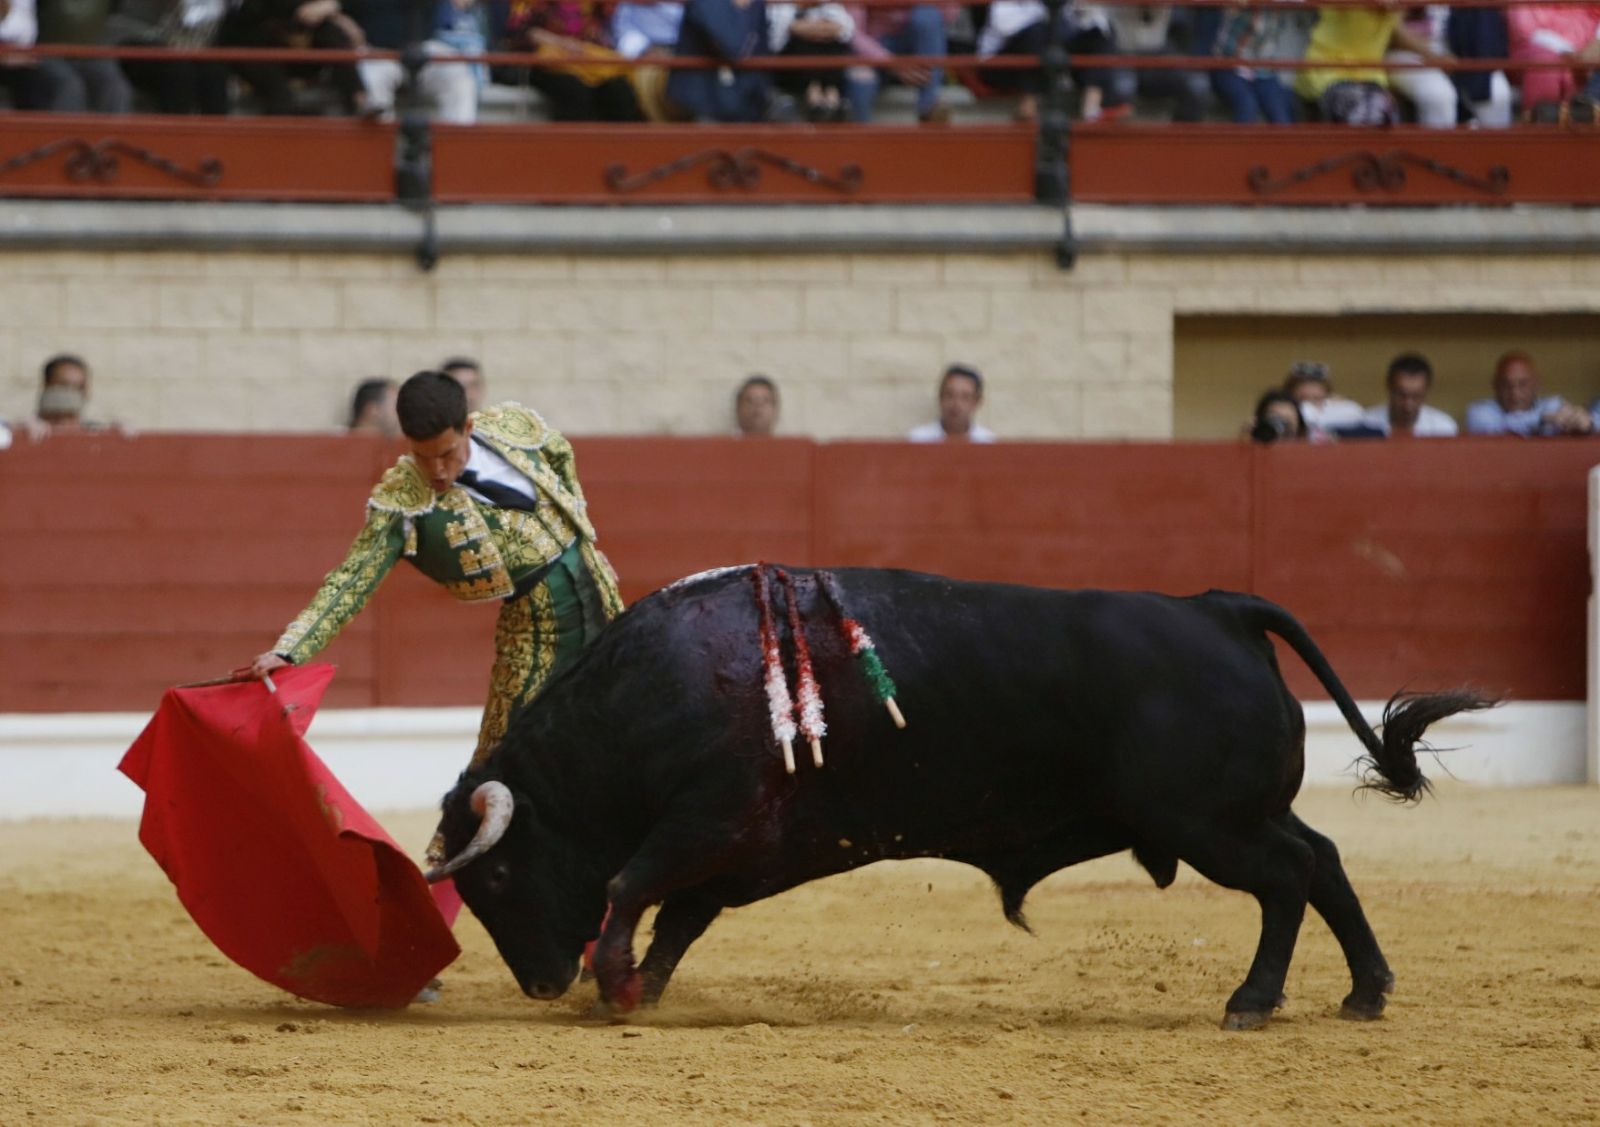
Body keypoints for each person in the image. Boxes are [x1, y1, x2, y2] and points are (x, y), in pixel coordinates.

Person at [238, 372, 625, 848]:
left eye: (447, 453)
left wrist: (575, 523)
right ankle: (455, 862)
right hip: (534, 624)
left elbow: (560, 451)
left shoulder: (511, 427)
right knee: (502, 755)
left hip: (600, 590)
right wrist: (291, 650)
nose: (438, 471)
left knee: (620, 723)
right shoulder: (402, 502)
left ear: (466, 426)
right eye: (424, 458)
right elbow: (352, 579)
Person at [1464, 350, 1595, 436]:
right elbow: (1499, 427)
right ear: (1495, 385)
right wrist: (1542, 419)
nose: (1514, 392)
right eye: (1506, 385)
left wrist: (1585, 424)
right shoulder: (1480, 411)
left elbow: (1585, 423)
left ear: (1536, 384)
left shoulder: (1552, 405)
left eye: (1523, 384)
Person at [1358, 353, 1458, 438]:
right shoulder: (1366, 425)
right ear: (1389, 387)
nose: (1408, 404)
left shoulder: (1443, 428)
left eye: (1417, 396)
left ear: (1427, 392)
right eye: (1401, 395)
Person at [908, 363, 995, 443]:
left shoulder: (987, 441)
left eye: (965, 397)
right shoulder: (919, 439)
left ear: (977, 402)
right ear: (940, 397)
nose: (956, 404)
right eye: (949, 395)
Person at [33, 353, 111, 434]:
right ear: (47, 386)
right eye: (66, 386)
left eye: (80, 387)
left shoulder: (94, 431)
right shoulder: (29, 430)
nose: (73, 395)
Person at [1281, 360, 1362, 436]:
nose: (1309, 390)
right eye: (1303, 384)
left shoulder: (1345, 407)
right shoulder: (1285, 408)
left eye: (1314, 384)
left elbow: (1357, 415)